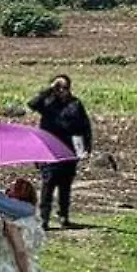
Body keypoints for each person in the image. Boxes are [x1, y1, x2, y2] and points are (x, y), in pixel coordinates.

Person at [28, 74, 93, 230]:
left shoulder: (75, 104)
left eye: (65, 87)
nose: (62, 90)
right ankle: (44, 219)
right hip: (48, 149)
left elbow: (85, 127)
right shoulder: (48, 102)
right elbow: (32, 104)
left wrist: (87, 147)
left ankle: (64, 216)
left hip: (68, 149)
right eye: (59, 87)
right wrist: (49, 90)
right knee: (48, 185)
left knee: (65, 185)